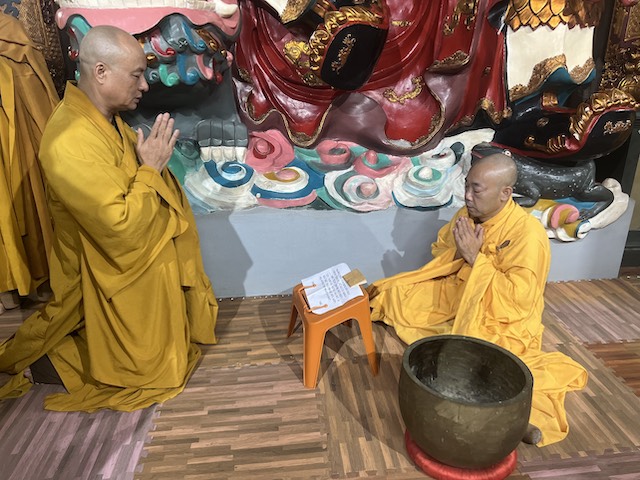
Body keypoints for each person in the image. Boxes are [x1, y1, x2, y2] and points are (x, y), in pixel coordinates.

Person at [0, 25, 218, 412]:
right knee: (154, 375)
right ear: (101, 72)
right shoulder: (69, 140)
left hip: (136, 263)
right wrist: (150, 169)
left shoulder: (104, 120)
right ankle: (50, 363)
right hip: (106, 269)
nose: (144, 85)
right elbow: (119, 227)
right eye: (136, 75)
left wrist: (146, 165)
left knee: (166, 354)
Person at [368, 152, 588, 447]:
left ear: (505, 193)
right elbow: (441, 250)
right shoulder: (467, 215)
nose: (468, 196)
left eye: (477, 190)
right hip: (458, 292)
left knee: (479, 358)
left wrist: (476, 257)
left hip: (499, 316)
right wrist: (461, 253)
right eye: (466, 186)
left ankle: (517, 418)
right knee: (394, 294)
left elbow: (519, 298)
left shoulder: (527, 234)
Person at [0, 14, 58, 312]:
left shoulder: (10, 31)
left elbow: (37, 91)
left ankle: (38, 276)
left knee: (29, 196)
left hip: (19, 137)